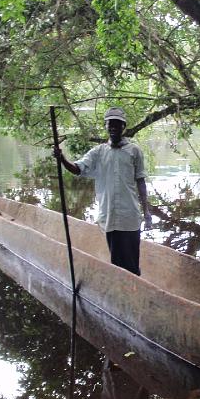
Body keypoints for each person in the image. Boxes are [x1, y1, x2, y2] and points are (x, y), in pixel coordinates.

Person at [54, 107, 151, 275]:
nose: (113, 128)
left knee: (132, 263)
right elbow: (78, 169)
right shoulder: (98, 152)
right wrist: (62, 159)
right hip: (109, 216)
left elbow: (141, 181)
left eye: (117, 124)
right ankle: (121, 290)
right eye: (110, 124)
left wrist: (147, 211)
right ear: (105, 127)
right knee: (116, 262)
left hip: (130, 216)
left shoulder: (134, 151)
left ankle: (135, 290)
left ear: (124, 127)